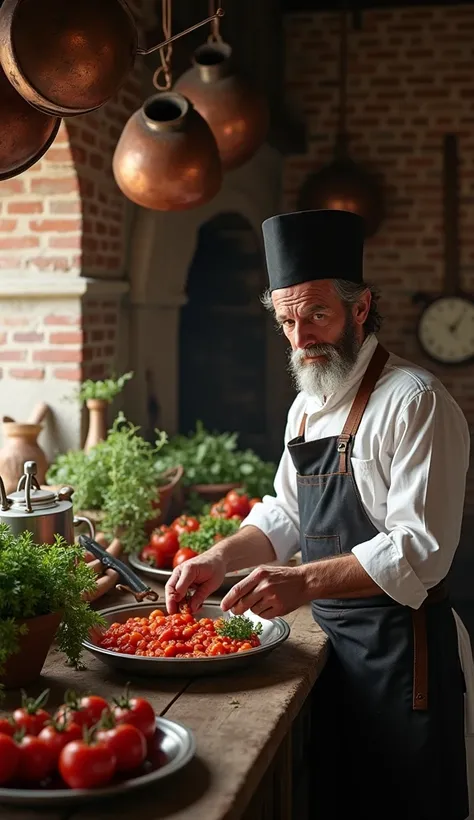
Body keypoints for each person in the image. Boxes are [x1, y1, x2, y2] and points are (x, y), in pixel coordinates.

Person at [166, 209, 474, 820]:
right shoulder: (306, 406)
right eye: (287, 320)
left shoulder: (415, 403)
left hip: (402, 657)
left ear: (361, 310)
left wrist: (301, 580)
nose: (301, 338)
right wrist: (217, 558)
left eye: (316, 315)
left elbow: (420, 548)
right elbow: (285, 509)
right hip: (334, 649)